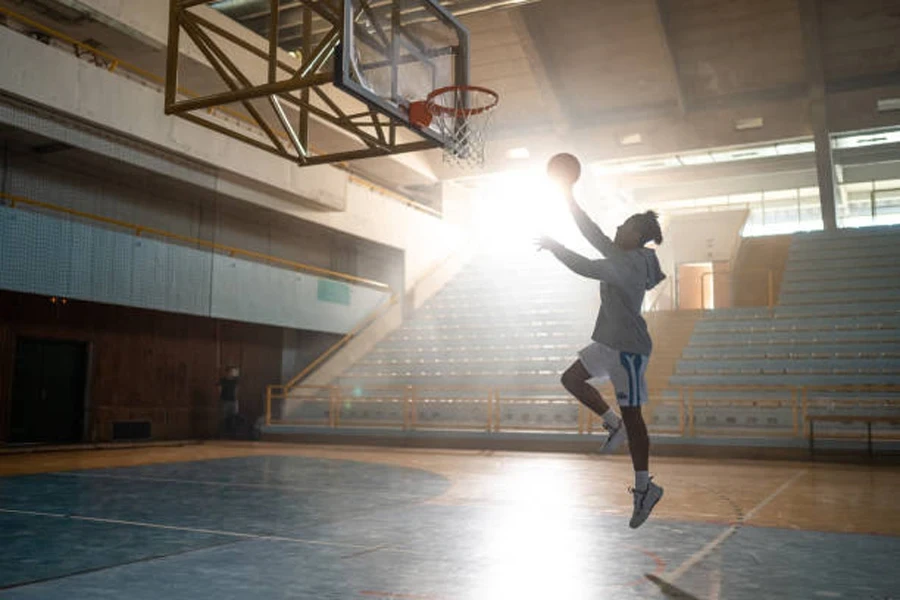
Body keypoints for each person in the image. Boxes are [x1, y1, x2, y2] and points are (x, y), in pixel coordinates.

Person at [536, 189, 666, 529]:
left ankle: (644, 488)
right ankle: (613, 423)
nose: (617, 228)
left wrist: (554, 247)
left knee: (635, 417)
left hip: (629, 350)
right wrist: (567, 197)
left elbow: (585, 266)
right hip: (608, 342)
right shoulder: (623, 252)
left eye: (623, 226)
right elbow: (592, 232)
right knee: (571, 379)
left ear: (635, 235)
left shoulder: (630, 263)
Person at [217, 366, 240, 439]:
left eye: (233, 372)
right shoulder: (222, 380)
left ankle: (233, 434)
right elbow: (219, 389)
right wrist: (221, 397)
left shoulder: (235, 380)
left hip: (234, 401)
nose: (231, 373)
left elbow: (237, 390)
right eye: (230, 372)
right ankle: (223, 434)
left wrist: (236, 399)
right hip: (225, 401)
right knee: (224, 418)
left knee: (234, 417)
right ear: (227, 372)